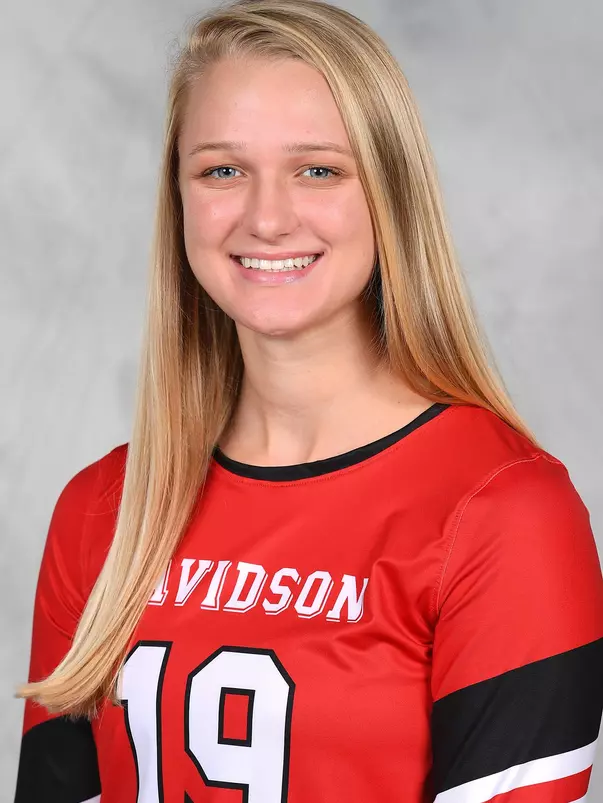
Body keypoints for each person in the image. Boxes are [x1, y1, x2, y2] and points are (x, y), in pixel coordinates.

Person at [13, 0, 603, 801]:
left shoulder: (502, 513)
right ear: (179, 198)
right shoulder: (101, 513)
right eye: (222, 170)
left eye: (317, 169)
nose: (266, 216)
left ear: (389, 193)